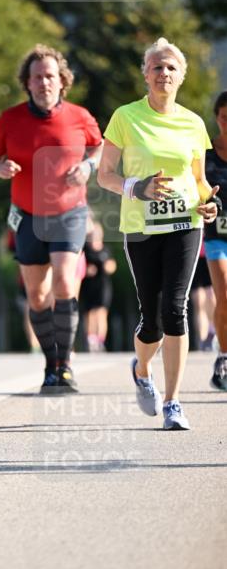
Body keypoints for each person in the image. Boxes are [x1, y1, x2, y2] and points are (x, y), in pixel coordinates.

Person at [97, 38, 220, 430]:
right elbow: (105, 175)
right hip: (141, 227)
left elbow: (199, 180)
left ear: (181, 75)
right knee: (150, 318)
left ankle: (173, 402)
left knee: (176, 309)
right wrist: (138, 187)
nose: (163, 73)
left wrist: (209, 203)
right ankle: (142, 368)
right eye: (156, 67)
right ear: (145, 74)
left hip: (186, 223)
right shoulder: (125, 117)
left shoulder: (193, 123)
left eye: (170, 67)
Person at [0, 44, 102, 393]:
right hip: (28, 216)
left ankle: (64, 365)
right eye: (37, 77)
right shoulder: (10, 119)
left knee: (65, 283)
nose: (43, 82)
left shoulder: (79, 116)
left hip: (69, 213)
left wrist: (87, 166)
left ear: (62, 81)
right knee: (37, 296)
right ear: (27, 83)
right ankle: (50, 363)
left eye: (50, 76)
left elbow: (99, 145)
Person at [205, 90, 227, 390]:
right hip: (216, 236)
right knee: (224, 295)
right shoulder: (206, 153)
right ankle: (224, 355)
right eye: (224, 117)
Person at [80, 219, 116, 352]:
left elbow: (112, 265)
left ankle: (100, 340)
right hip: (88, 285)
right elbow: (79, 265)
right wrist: (87, 269)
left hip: (103, 285)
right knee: (89, 312)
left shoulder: (106, 249)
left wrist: (108, 267)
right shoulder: (85, 248)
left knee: (101, 312)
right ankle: (91, 340)